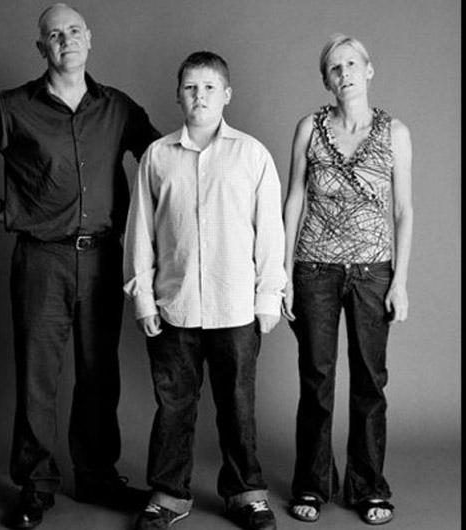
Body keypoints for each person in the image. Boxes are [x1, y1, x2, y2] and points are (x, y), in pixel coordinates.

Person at [0, 4, 161, 528]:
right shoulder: (13, 107)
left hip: (105, 259)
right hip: (42, 259)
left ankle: (97, 476)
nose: (66, 39)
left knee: (99, 373)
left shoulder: (118, 107)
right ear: (42, 48)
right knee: (38, 376)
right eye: (55, 34)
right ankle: (35, 486)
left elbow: (160, 159)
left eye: (74, 30)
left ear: (90, 38)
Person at [123, 51, 286, 530]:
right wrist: (143, 299)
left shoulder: (252, 155)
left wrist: (268, 298)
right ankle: (168, 495)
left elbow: (270, 232)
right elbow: (140, 232)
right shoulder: (157, 156)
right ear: (178, 95)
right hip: (174, 306)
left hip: (235, 306)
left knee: (238, 405)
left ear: (227, 94)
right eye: (191, 87)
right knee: (174, 405)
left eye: (210, 87)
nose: (200, 96)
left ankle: (246, 494)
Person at [281, 33, 413, 526]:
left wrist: (400, 281)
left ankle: (368, 486)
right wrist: (283, 274)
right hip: (314, 269)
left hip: (373, 272)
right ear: (326, 80)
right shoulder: (309, 128)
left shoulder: (395, 132)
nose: (345, 74)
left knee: (369, 381)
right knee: (316, 379)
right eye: (335, 68)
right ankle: (312, 484)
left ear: (368, 70)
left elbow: (403, 210)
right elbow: (294, 199)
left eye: (352, 64)